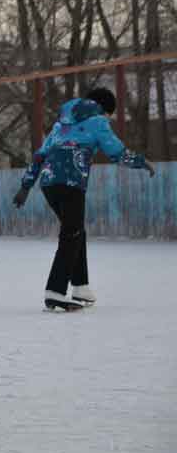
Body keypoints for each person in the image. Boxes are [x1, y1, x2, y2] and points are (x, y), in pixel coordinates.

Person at [13, 87, 154, 310]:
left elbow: (40, 155)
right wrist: (140, 162)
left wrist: (25, 186)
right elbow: (115, 152)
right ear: (104, 109)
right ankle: (55, 291)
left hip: (49, 183)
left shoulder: (60, 124)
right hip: (71, 183)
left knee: (75, 230)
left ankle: (80, 287)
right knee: (72, 233)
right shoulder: (98, 121)